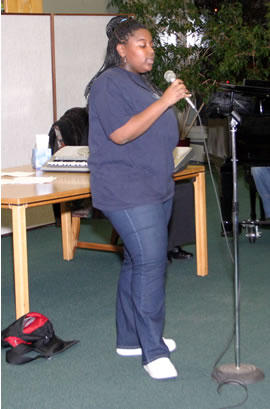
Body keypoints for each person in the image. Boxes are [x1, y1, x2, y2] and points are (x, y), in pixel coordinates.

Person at [86, 16, 192, 380]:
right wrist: (165, 101)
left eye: (151, 45)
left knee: (136, 262)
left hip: (155, 186)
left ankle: (130, 339)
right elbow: (121, 134)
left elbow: (156, 126)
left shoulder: (140, 82)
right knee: (150, 264)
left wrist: (165, 104)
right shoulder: (108, 84)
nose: (151, 51)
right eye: (142, 44)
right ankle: (153, 351)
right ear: (122, 49)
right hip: (127, 191)